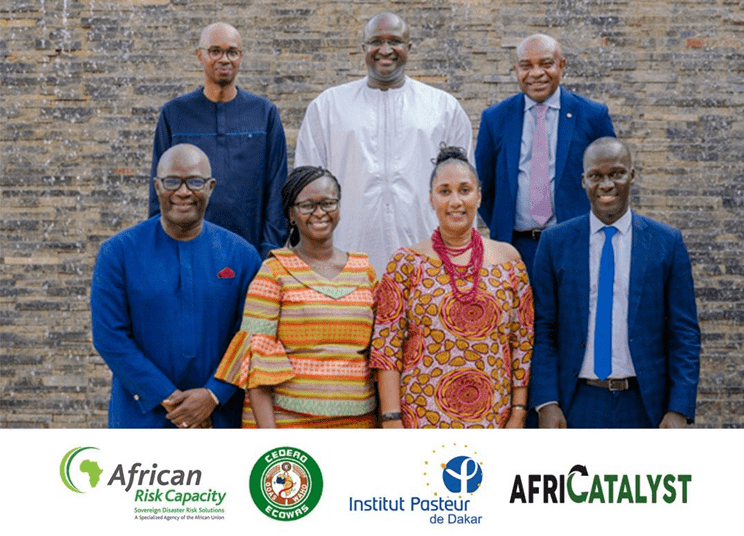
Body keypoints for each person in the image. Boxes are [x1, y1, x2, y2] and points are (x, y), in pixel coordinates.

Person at [529, 138, 701, 428]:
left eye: (617, 173)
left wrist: (679, 408)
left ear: (632, 175)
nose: (606, 184)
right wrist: (547, 402)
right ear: (583, 181)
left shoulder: (666, 243)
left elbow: (684, 333)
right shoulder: (554, 243)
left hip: (646, 406)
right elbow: (543, 329)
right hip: (576, 404)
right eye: (596, 176)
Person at [91, 144, 262, 428]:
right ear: (157, 186)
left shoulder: (242, 256)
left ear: (211, 187)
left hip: (220, 418)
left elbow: (250, 336)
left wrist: (212, 395)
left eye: (195, 182)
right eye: (172, 182)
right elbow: (110, 338)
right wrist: (174, 402)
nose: (183, 192)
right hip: (142, 419)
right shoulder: (118, 253)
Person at [294, 11, 473, 276]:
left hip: (428, 257)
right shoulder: (329, 107)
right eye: (376, 41)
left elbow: (464, 191)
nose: (385, 50)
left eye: (395, 41)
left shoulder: (442, 108)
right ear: (364, 48)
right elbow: (304, 188)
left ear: (408, 47)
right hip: (346, 257)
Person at [370, 146, 533, 429]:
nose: (455, 201)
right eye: (444, 191)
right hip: (421, 418)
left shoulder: (509, 262)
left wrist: (518, 412)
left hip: (493, 418)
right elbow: (387, 348)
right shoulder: (406, 263)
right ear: (431, 199)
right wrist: (391, 417)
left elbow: (522, 344)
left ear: (479, 195)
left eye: (464, 190)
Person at [214, 166, 378, 428]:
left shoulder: (364, 271)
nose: (320, 212)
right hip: (288, 422)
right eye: (308, 206)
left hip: (358, 424)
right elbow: (257, 362)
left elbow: (379, 352)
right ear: (291, 213)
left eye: (328, 203)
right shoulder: (274, 272)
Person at [475, 33, 616, 278]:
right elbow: (484, 189)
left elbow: (612, 183)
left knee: (572, 316)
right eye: (526, 66)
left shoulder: (592, 116)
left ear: (561, 65)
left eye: (546, 64)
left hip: (575, 245)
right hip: (514, 248)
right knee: (519, 316)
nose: (536, 73)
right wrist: (503, 225)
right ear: (516, 70)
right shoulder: (495, 118)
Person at [149, 22, 288, 258]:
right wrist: (162, 249)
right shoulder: (175, 114)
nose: (224, 59)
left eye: (232, 52)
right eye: (215, 51)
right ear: (199, 55)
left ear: (241, 57)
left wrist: (270, 252)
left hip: (251, 254)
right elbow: (160, 188)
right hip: (186, 251)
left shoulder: (264, 114)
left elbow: (277, 189)